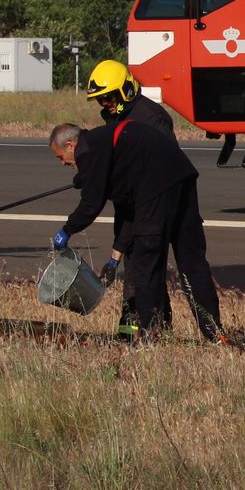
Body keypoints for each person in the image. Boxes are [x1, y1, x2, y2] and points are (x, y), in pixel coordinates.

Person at [49, 119, 224, 342]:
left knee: (145, 264)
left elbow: (91, 204)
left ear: (70, 145)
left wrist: (67, 230)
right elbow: (130, 212)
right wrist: (115, 258)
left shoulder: (88, 150)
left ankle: (150, 335)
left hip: (156, 186)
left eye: (60, 157)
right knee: (192, 261)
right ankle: (215, 333)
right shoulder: (106, 145)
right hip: (182, 176)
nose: (62, 163)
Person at [85, 59, 179, 338]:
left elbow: (165, 167)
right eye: (100, 100)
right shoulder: (117, 116)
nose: (105, 104)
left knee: (146, 267)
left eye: (108, 98)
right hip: (129, 202)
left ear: (126, 89)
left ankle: (150, 327)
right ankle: (136, 328)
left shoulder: (153, 118)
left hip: (153, 204)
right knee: (134, 263)